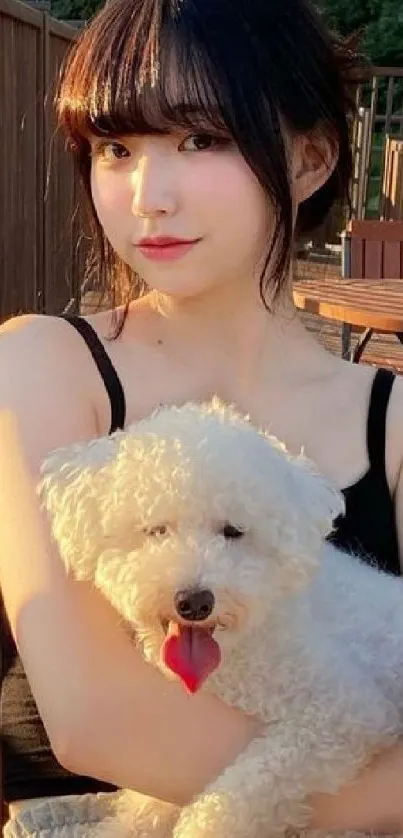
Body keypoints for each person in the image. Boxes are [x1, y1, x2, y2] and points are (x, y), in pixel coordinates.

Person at [1, 0, 403, 834]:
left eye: (200, 140)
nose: (148, 196)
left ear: (311, 157)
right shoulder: (37, 366)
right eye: (116, 148)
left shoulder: (391, 420)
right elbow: (96, 721)